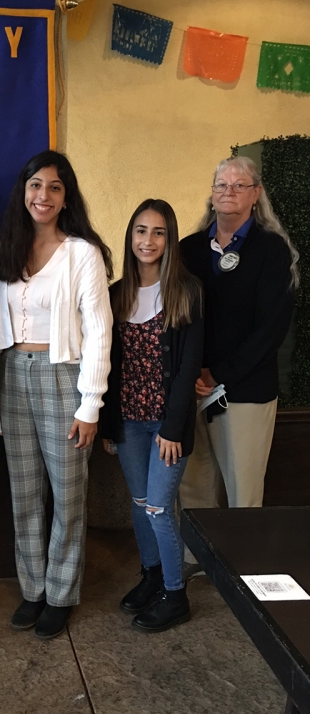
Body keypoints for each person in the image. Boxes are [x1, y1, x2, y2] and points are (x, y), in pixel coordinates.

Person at [0, 150, 113, 639]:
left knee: (68, 495)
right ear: (24, 191)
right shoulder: (3, 254)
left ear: (66, 197)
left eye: (54, 187)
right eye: (35, 185)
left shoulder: (83, 253)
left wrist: (89, 406)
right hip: (13, 374)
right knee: (25, 494)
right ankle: (32, 589)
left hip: (64, 377)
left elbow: (100, 331)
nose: (43, 195)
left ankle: (60, 594)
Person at [178, 156, 298, 578]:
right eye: (221, 184)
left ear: (255, 194)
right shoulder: (188, 249)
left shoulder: (271, 250)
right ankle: (197, 561)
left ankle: (243, 569)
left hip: (244, 389)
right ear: (211, 194)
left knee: (243, 487)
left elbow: (271, 329)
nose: (228, 191)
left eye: (239, 184)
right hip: (190, 387)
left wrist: (218, 373)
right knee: (194, 482)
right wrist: (189, 373)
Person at [101, 199, 203, 632]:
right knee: (141, 506)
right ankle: (153, 576)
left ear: (170, 239)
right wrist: (108, 426)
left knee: (161, 508)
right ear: (130, 236)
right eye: (141, 231)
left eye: (158, 232)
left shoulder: (186, 291)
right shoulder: (116, 294)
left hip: (165, 428)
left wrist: (173, 426)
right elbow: (105, 363)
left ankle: (176, 595)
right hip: (128, 423)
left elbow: (188, 366)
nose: (148, 240)